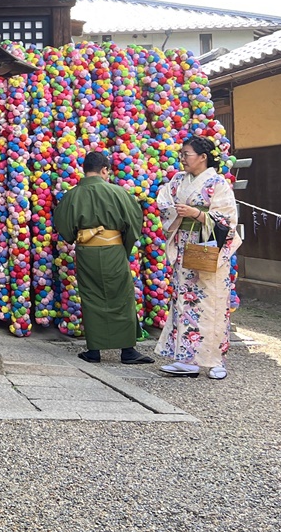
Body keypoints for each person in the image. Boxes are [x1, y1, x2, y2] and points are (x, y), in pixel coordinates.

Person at [53, 151, 154, 365]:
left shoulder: (72, 195)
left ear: (84, 169)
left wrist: (76, 237)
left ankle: (94, 351)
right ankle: (128, 351)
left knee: (91, 298)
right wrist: (122, 245)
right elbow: (135, 221)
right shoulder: (119, 193)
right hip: (114, 250)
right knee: (122, 296)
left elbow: (63, 225)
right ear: (105, 170)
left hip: (87, 251)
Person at [155, 136, 242, 380]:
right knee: (185, 301)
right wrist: (178, 213)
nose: (183, 159)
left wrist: (198, 214)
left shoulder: (218, 183)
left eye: (187, 154)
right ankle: (186, 359)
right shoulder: (178, 181)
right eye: (181, 154)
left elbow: (228, 220)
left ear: (203, 157)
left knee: (212, 303)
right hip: (184, 246)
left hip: (209, 247)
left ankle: (216, 361)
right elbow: (164, 204)